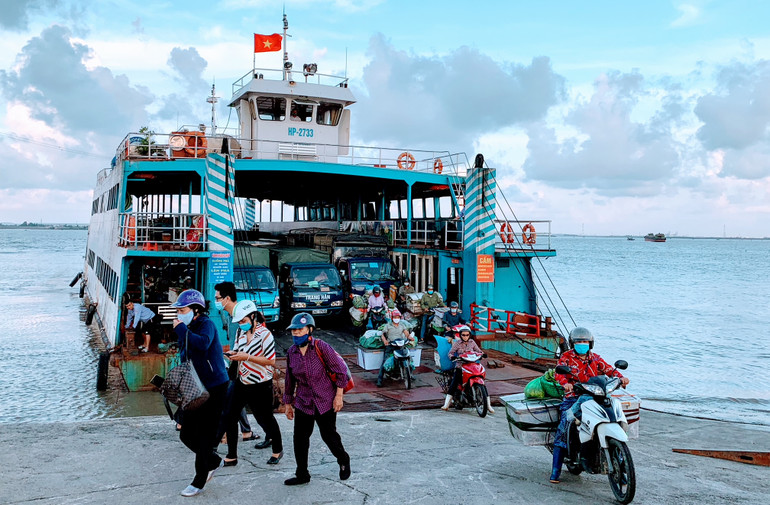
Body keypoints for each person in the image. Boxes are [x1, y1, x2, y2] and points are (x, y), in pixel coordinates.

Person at [549, 327, 629, 484]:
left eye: (585, 341)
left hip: (595, 395)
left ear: (590, 343)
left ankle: (620, 465)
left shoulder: (595, 358)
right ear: (573, 343)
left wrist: (622, 378)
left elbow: (609, 370)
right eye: (578, 341)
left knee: (613, 415)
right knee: (564, 427)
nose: (582, 344)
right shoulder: (566, 357)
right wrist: (566, 384)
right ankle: (555, 471)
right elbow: (559, 373)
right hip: (574, 396)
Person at [171, 289, 229, 497]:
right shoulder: (188, 327)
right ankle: (213, 460)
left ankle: (199, 480)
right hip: (195, 387)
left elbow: (203, 343)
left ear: (196, 310)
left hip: (214, 387)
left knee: (204, 434)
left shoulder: (206, 324)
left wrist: (180, 330)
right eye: (177, 310)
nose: (179, 314)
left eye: (183, 310)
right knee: (186, 433)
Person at [283, 313, 351, 486]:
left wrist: (339, 397)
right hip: (303, 402)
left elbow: (341, 371)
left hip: (325, 400)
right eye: (294, 330)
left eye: (300, 329)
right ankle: (302, 474)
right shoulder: (292, 352)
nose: (297, 333)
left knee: (329, 435)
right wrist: (288, 403)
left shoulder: (321, 347)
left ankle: (343, 459)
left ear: (310, 330)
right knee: (300, 439)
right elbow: (289, 380)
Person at [223, 301, 283, 466]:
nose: (241, 324)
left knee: (265, 417)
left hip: (261, 383)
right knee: (230, 416)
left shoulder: (265, 335)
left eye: (243, 321)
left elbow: (270, 361)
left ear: (252, 316)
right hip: (242, 381)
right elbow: (237, 350)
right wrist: (233, 354)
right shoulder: (239, 334)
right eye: (239, 322)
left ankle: (277, 449)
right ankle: (232, 455)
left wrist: (246, 357)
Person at [213, 282, 259, 444]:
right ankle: (246, 431)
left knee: (232, 398)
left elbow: (253, 340)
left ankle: (225, 434)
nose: (216, 302)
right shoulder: (227, 315)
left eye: (218, 298)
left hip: (242, 363)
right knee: (233, 397)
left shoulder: (241, 317)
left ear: (227, 298)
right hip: (234, 362)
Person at [440, 325, 493, 413]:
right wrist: (453, 357)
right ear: (460, 335)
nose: (465, 337)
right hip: (460, 366)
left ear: (469, 335)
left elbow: (479, 351)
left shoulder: (472, 342)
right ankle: (446, 405)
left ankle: (488, 405)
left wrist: (482, 354)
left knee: (483, 383)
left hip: (472, 365)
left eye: (467, 335)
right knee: (454, 383)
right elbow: (450, 353)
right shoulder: (457, 343)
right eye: (463, 335)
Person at [376, 309, 414, 387]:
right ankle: (379, 380)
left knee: (408, 358)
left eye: (398, 317)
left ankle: (410, 374)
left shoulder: (402, 325)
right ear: (392, 318)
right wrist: (385, 341)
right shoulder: (388, 325)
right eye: (395, 317)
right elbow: (383, 334)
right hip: (391, 345)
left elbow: (405, 332)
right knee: (385, 361)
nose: (396, 318)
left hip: (400, 344)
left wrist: (409, 337)